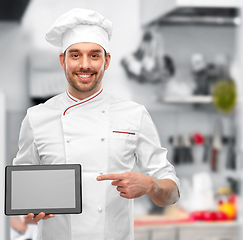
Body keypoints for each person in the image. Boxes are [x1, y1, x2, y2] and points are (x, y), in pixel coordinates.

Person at [13, 8, 180, 240]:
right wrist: (29, 212)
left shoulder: (134, 114)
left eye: (94, 55)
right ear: (62, 60)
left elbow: (172, 192)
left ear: (106, 61)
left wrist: (152, 185)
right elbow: (22, 197)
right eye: (75, 55)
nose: (85, 65)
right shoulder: (37, 117)